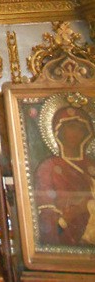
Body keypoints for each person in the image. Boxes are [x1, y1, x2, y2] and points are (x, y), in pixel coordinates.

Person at [35, 104, 95, 246]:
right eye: (71, 127)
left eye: (81, 129)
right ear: (59, 131)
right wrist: (70, 215)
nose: (76, 133)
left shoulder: (91, 165)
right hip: (67, 238)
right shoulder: (49, 167)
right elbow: (46, 213)